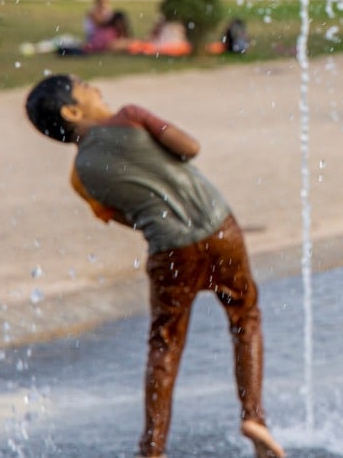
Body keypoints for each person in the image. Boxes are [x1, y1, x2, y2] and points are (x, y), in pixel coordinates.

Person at [24, 75, 285, 458]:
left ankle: (152, 449)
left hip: (169, 251)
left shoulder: (80, 177)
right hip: (220, 229)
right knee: (245, 317)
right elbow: (190, 147)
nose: (97, 86)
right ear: (72, 110)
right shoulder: (131, 115)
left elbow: (128, 217)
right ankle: (254, 419)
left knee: (165, 344)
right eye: (85, 86)